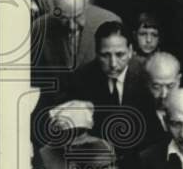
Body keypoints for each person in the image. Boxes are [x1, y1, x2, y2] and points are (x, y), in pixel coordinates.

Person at [61, 21, 156, 149]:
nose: (113, 64)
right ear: (96, 53)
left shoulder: (148, 75)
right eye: (105, 55)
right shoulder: (81, 78)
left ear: (130, 51)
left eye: (120, 54)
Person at [30, 0, 120, 80]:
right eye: (64, 18)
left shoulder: (110, 22)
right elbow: (35, 76)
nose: (71, 26)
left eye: (77, 16)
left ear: (86, 4)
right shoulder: (39, 28)